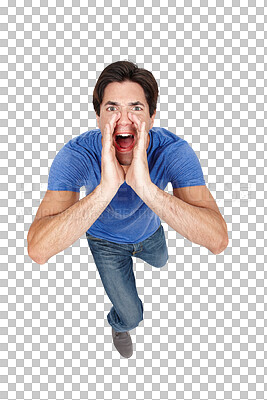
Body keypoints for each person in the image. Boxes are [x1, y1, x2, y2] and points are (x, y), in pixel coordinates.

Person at [27, 60, 228, 358]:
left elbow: (218, 240)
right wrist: (105, 190)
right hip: (105, 242)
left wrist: (145, 187)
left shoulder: (172, 150)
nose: (124, 119)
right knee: (132, 316)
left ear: (152, 116)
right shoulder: (76, 155)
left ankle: (147, 251)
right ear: (97, 116)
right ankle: (117, 323)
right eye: (111, 108)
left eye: (135, 108)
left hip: (150, 233)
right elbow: (38, 250)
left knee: (161, 260)